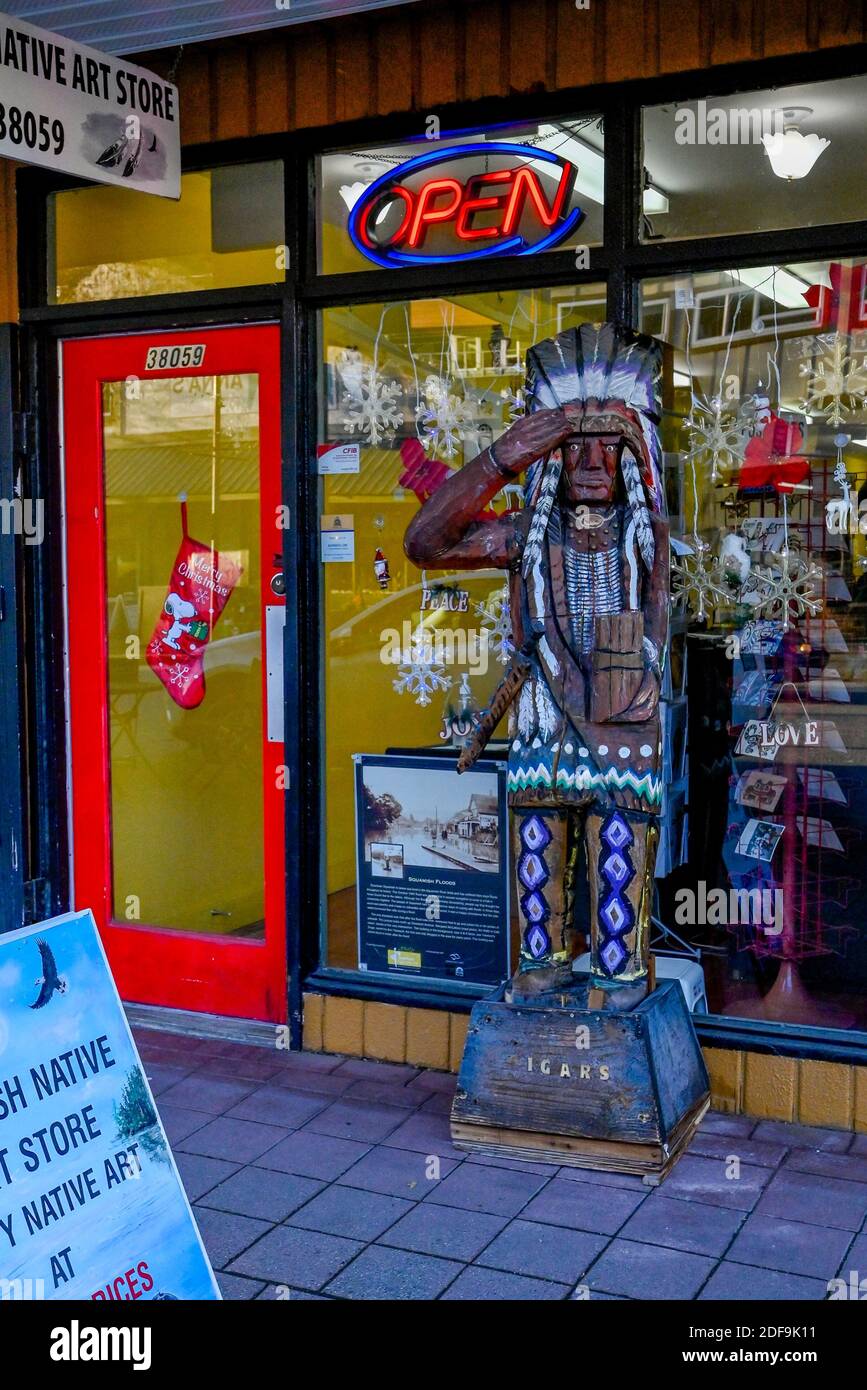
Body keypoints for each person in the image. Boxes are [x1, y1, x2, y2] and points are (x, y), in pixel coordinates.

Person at [405, 323, 669, 1004]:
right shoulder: (526, 533)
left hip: (623, 718)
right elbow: (425, 542)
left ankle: (617, 970)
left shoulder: (647, 540)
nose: (588, 461)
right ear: (549, 456)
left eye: (608, 448)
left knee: (618, 841)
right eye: (570, 445)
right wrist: (504, 455)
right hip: (544, 714)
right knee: (538, 846)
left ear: (635, 457)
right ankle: (541, 961)